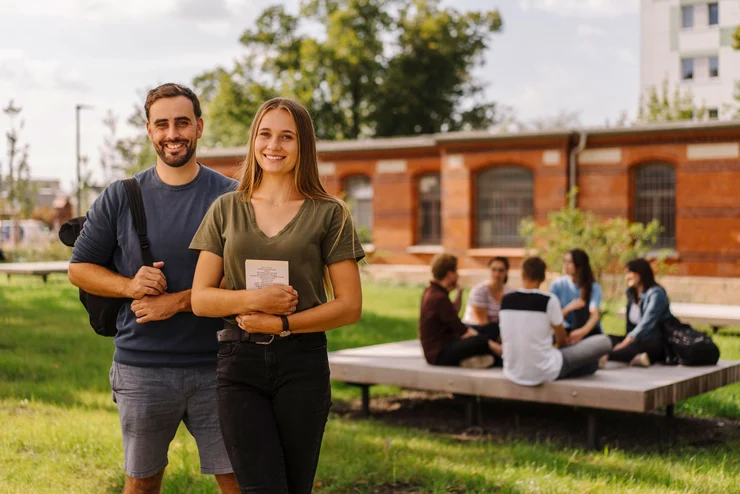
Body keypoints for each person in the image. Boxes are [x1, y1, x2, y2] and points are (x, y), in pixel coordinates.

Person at [68, 83, 240, 494]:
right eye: (162, 124)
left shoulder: (232, 196)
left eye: (182, 122)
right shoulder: (121, 195)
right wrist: (129, 286)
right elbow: (79, 269)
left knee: (239, 483)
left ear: (199, 127)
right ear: (149, 131)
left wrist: (177, 303)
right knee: (141, 485)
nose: (172, 133)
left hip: (220, 366)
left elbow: (244, 278)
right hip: (141, 369)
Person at [189, 97, 364, 493]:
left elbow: (349, 306)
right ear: (253, 141)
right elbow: (201, 298)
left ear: (304, 146)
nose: (274, 145)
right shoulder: (225, 209)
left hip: (302, 364)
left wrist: (282, 323)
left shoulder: (329, 213)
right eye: (265, 134)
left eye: (287, 137)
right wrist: (255, 302)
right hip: (239, 365)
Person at [499, 257, 612, 386]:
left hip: (511, 371)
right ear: (543, 278)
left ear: (522, 274)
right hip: (546, 371)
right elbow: (562, 341)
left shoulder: (505, 300)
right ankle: (594, 363)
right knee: (604, 342)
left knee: (586, 361)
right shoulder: (548, 300)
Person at [419, 253, 502, 369]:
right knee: (481, 341)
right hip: (439, 354)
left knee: (491, 329)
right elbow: (463, 331)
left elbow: (453, 313)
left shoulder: (433, 291)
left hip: (447, 342)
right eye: (456, 271)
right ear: (449, 273)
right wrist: (494, 346)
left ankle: (477, 359)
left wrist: (459, 292)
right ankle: (494, 360)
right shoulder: (438, 297)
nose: (458, 275)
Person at [607, 258, 672, 367]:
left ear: (640, 274)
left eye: (629, 273)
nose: (626, 277)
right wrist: (625, 340)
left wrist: (626, 342)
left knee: (628, 348)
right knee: (607, 339)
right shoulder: (631, 294)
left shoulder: (656, 293)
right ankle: (639, 358)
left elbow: (647, 323)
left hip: (654, 342)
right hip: (635, 340)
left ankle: (605, 356)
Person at [550, 249, 603, 345]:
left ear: (579, 266)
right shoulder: (557, 284)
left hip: (588, 331)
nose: (565, 265)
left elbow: (594, 315)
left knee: (580, 308)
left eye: (569, 262)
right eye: (564, 261)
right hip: (566, 331)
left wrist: (582, 332)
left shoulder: (594, 287)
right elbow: (552, 317)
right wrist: (569, 308)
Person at [461, 256, 513, 341]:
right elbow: (482, 322)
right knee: (492, 328)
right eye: (494, 269)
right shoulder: (479, 291)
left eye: (501, 270)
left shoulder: (510, 293)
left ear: (506, 272)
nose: (497, 274)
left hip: (497, 330)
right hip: (476, 329)